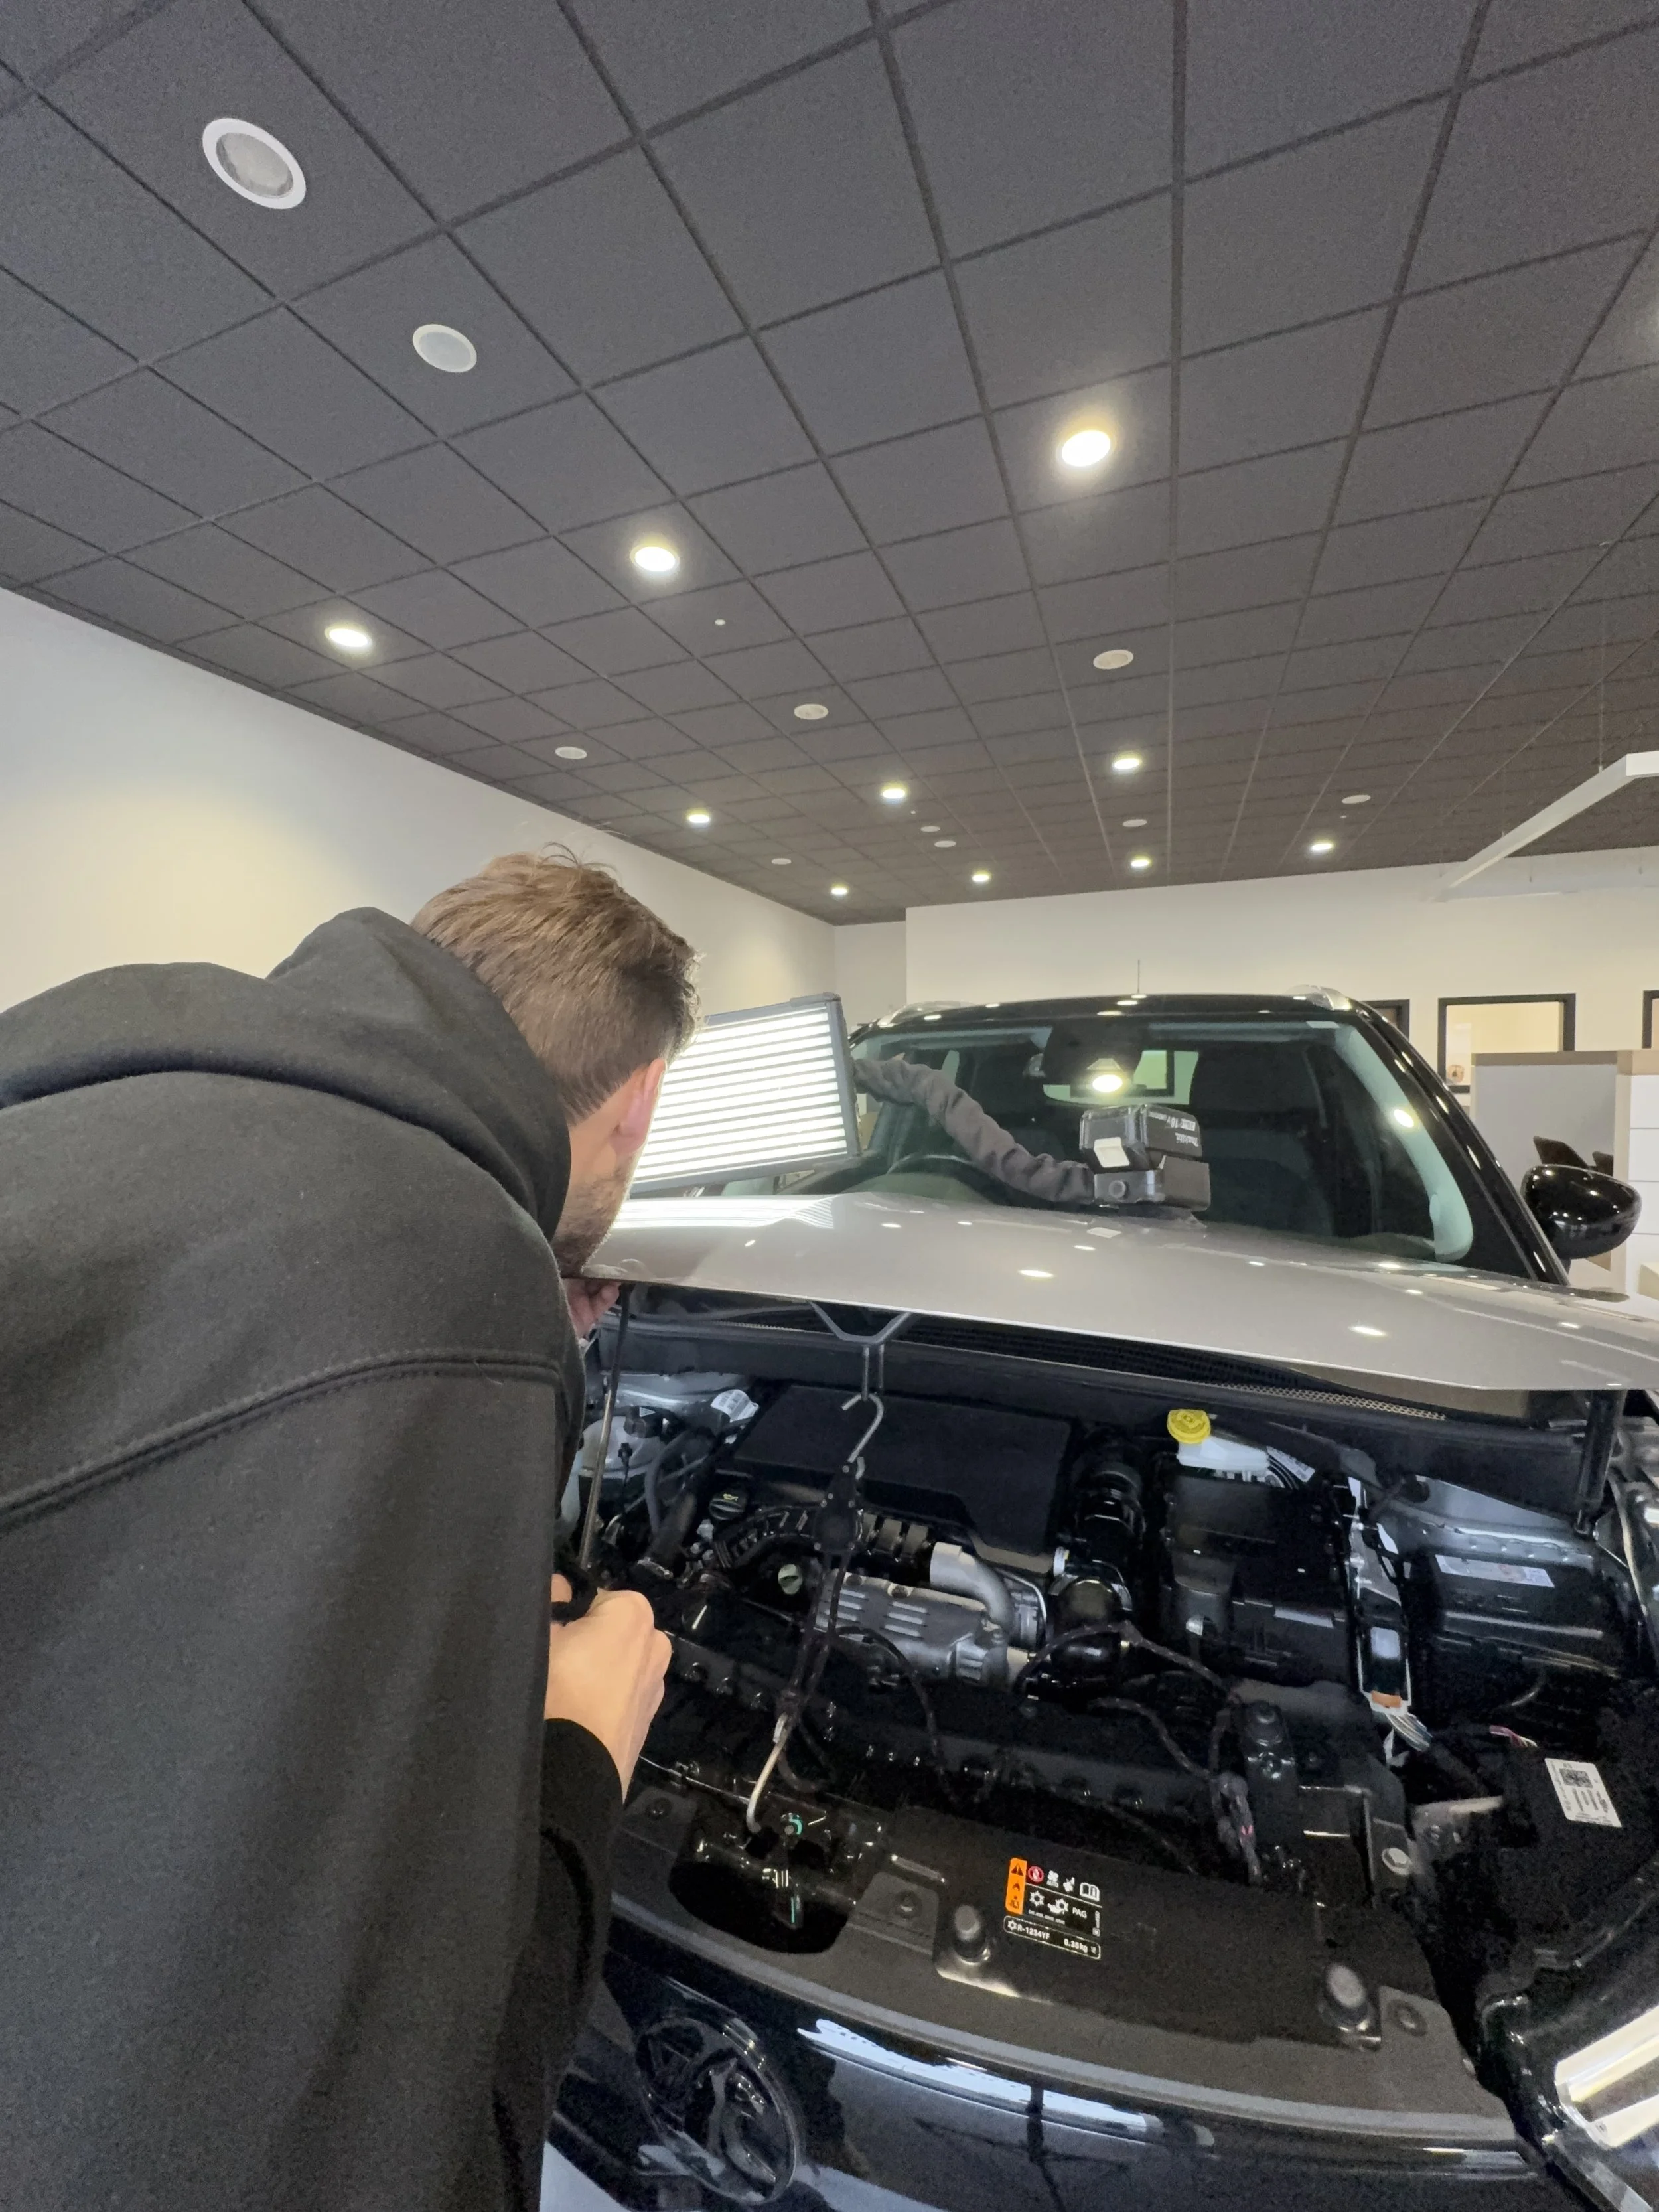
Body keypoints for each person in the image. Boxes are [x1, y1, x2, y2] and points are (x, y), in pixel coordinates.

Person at [0, 850, 694, 2211]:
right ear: (638, 1105)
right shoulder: (457, 1275)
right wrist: (574, 1763)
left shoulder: (73, 1105)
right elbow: (394, 2128)